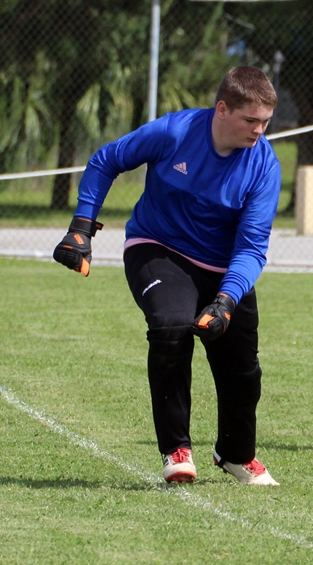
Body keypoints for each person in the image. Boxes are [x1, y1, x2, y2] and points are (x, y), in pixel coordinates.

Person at [52, 66, 282, 486]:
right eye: (251, 120)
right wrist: (82, 227)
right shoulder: (174, 132)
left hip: (223, 268)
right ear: (222, 109)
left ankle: (235, 455)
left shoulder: (264, 166)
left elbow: (251, 247)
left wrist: (226, 301)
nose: (259, 131)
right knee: (170, 327)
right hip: (158, 249)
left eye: (266, 122)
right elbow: (106, 160)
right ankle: (177, 450)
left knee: (243, 372)